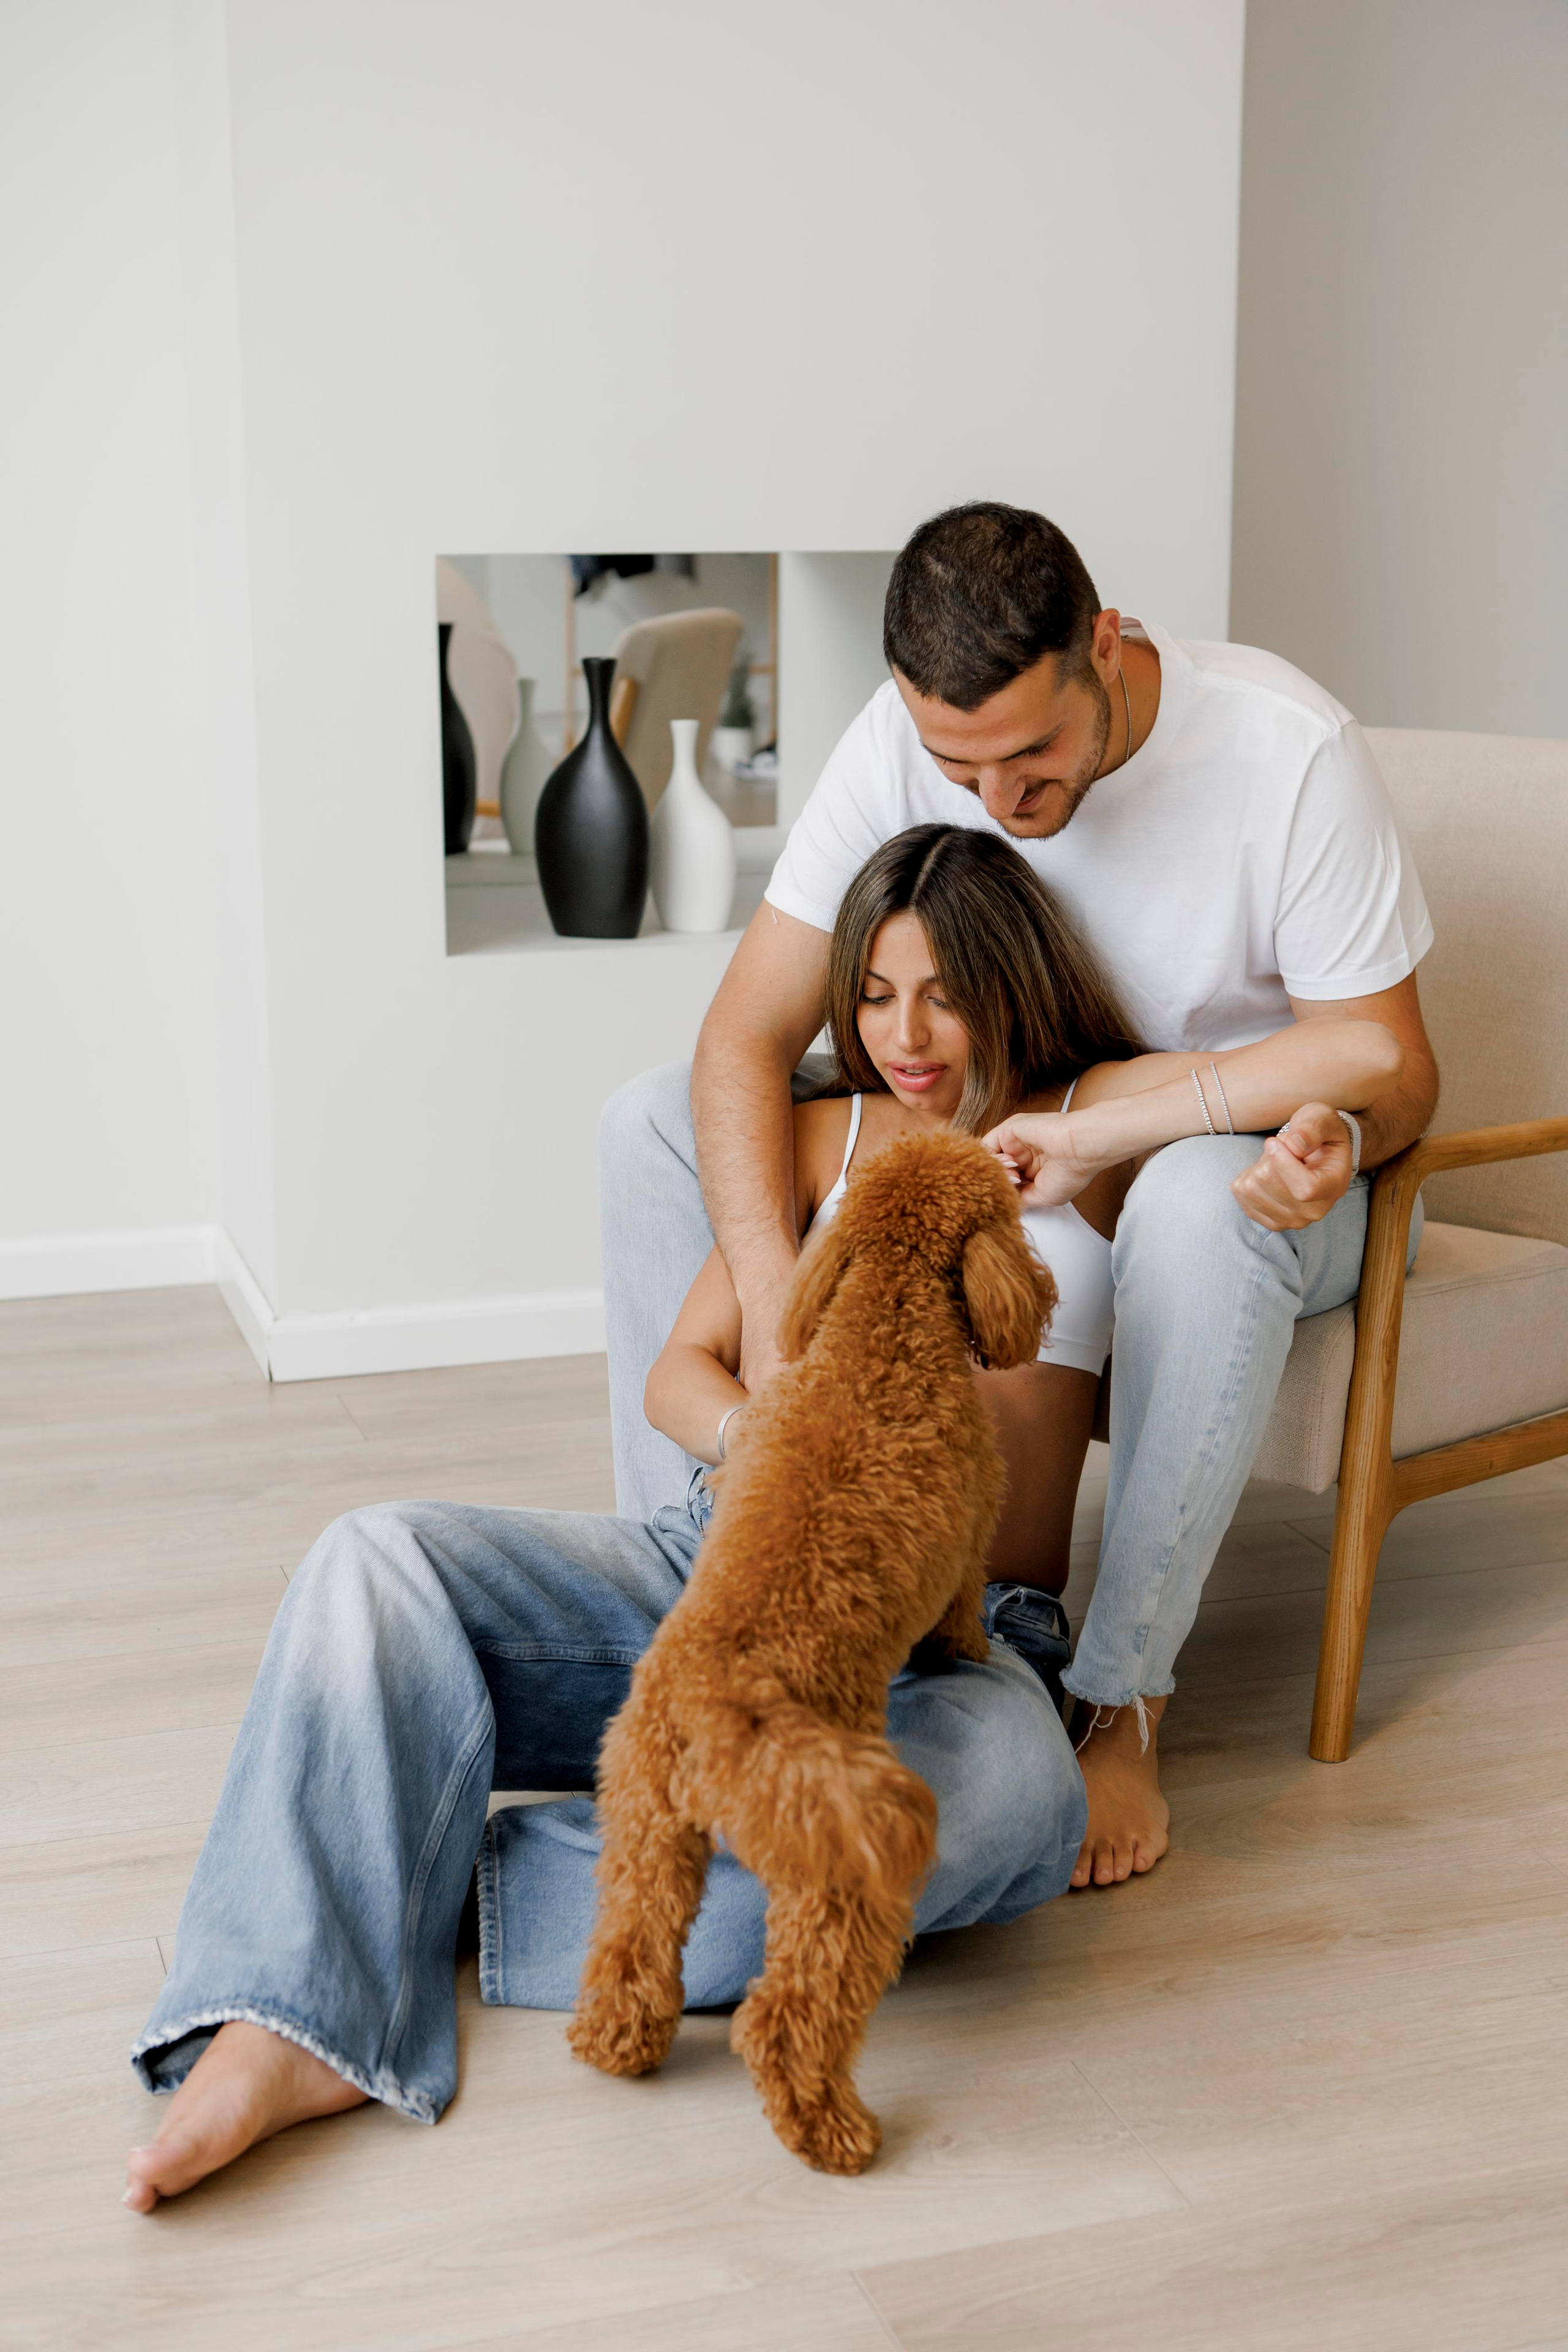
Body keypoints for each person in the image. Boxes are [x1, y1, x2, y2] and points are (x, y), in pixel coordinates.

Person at [600, 500, 1439, 1896]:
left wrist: (1139, 1134)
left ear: (1101, 649)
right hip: (1027, 1159)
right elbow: (738, 1037)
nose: (999, 799)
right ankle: (700, 1585)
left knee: (1186, 1199)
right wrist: (771, 1337)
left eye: (1033, 752)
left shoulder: (1284, 754)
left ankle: (1117, 1700)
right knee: (646, 1121)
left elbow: (1393, 1073)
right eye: (955, 765)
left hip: (1266, 1170)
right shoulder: (896, 749)